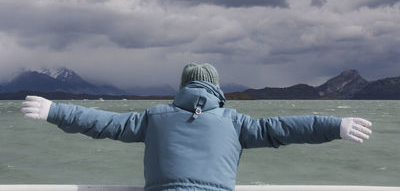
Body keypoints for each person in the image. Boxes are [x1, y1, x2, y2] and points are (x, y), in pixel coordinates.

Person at [21, 63, 372, 191]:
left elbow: (102, 123)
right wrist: (335, 125)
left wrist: (55, 110)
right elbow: (286, 129)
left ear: (182, 87)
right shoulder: (236, 122)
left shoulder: (154, 117)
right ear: (216, 90)